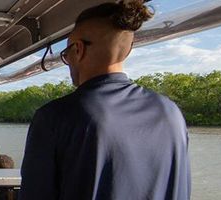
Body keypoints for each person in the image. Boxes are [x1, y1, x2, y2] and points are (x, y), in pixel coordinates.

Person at [20, 1, 190, 199]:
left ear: (79, 49)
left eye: (66, 54)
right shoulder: (171, 113)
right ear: (129, 49)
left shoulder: (54, 118)